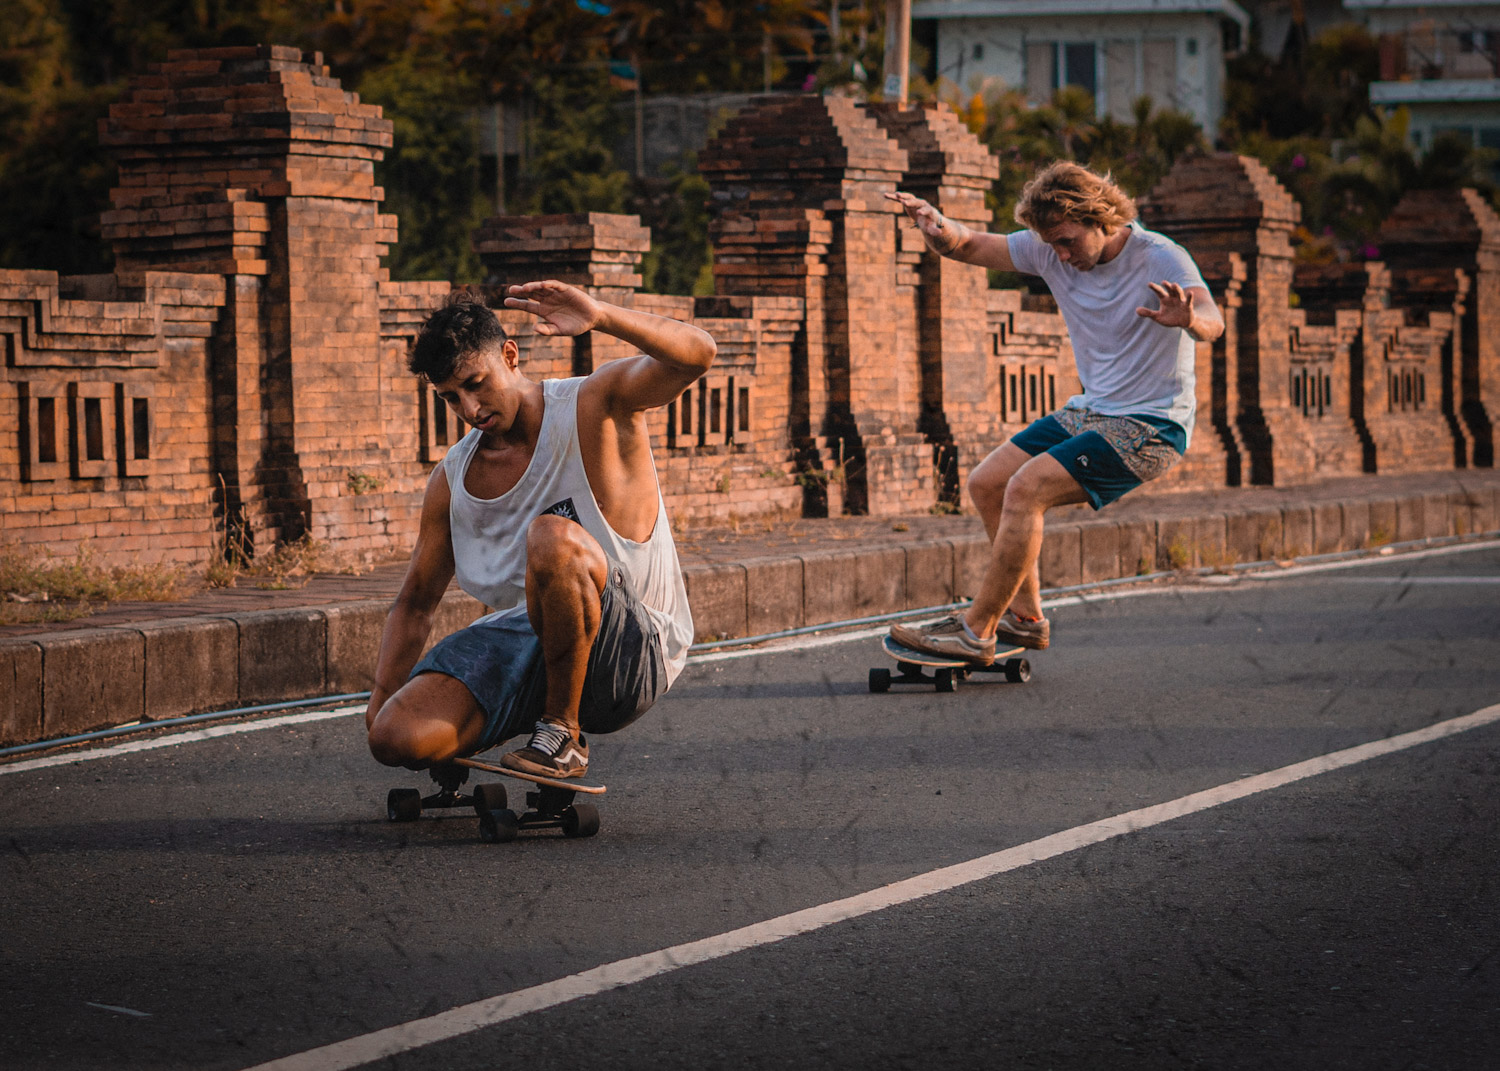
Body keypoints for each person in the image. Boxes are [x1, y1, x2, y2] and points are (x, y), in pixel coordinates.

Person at [364, 282, 714, 779]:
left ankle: (561, 735)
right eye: (450, 398)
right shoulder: (453, 479)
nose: (469, 409)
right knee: (396, 738)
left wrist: (602, 316)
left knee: (552, 536)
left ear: (510, 355)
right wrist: (381, 698)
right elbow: (416, 601)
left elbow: (698, 355)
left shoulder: (594, 406)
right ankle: (503, 721)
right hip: (528, 643)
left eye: (477, 383)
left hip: (631, 655)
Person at [885, 161, 1224, 664]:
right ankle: (1026, 619)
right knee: (988, 483)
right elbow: (968, 244)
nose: (1060, 256)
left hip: (1152, 425)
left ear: (1100, 218)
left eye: (1067, 241)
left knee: (1028, 487)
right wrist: (936, 226)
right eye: (1051, 245)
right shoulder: (1050, 249)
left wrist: (1190, 319)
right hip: (1091, 412)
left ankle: (976, 631)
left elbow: (1215, 322)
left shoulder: (1160, 258)